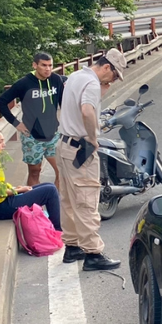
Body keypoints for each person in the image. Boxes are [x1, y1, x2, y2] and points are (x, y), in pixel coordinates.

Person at [55, 49, 126, 270]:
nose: (113, 80)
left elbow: (78, 104)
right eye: (114, 76)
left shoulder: (76, 76)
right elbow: (87, 111)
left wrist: (103, 89)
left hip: (64, 144)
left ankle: (72, 246)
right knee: (86, 200)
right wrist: (92, 138)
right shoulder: (92, 84)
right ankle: (94, 253)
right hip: (80, 146)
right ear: (107, 67)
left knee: (68, 199)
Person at [0, 127, 68, 239]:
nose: (4, 145)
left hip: (2, 203)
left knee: (49, 186)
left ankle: (55, 226)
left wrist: (16, 188)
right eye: (0, 142)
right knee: (50, 191)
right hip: (0, 207)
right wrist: (19, 190)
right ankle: (58, 229)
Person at [0, 52, 65, 188]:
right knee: (34, 172)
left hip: (53, 134)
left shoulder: (56, 80)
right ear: (35, 65)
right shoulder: (24, 83)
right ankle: (34, 206)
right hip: (32, 136)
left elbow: (64, 103)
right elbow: (1, 102)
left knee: (62, 171)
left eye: (50, 65)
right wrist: (16, 123)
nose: (48, 69)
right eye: (44, 65)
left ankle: (57, 204)